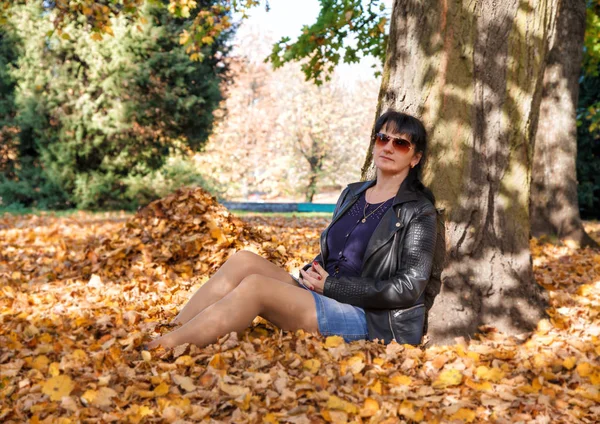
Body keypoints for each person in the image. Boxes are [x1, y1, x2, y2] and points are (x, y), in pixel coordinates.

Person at [146, 109, 437, 349]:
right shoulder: (352, 194)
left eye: (400, 143)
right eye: (383, 138)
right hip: (324, 294)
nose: (388, 147)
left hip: (371, 317)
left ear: (415, 158)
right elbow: (336, 253)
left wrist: (333, 286)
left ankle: (162, 348)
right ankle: (176, 329)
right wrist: (315, 272)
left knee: (256, 287)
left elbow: (409, 288)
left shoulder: (417, 210)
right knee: (243, 260)